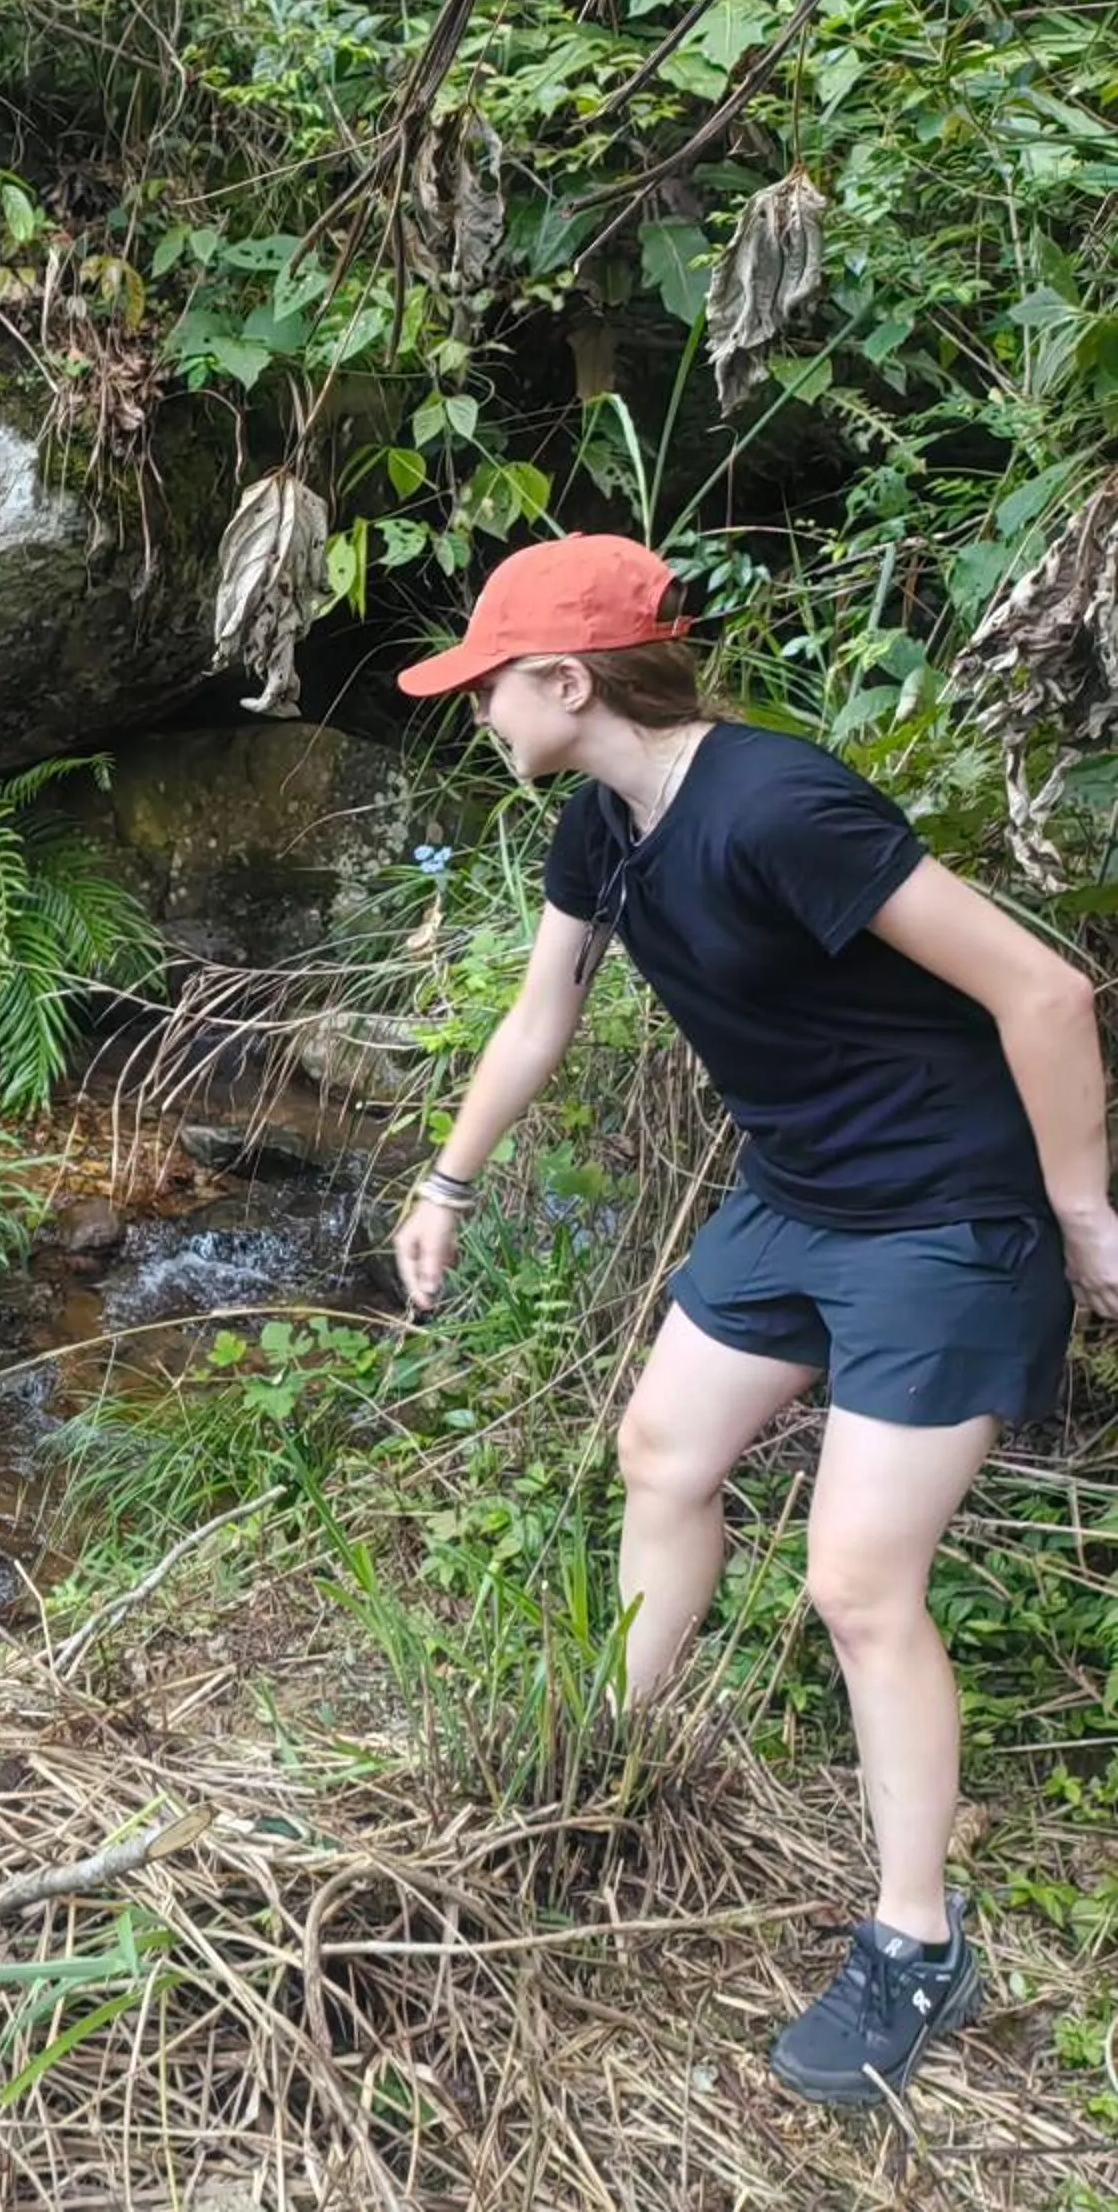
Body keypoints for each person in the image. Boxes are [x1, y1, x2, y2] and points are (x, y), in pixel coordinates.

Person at [391, 534, 1118, 2104]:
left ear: (568, 682)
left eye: (487, 686)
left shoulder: (779, 802)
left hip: (944, 1208)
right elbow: (541, 1013)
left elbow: (1045, 992)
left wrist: (1082, 1217)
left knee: (858, 1580)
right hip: (800, 1195)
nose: (478, 714)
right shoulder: (603, 822)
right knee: (663, 1451)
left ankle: (917, 1940)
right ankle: (607, 1759)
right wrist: (447, 1182)